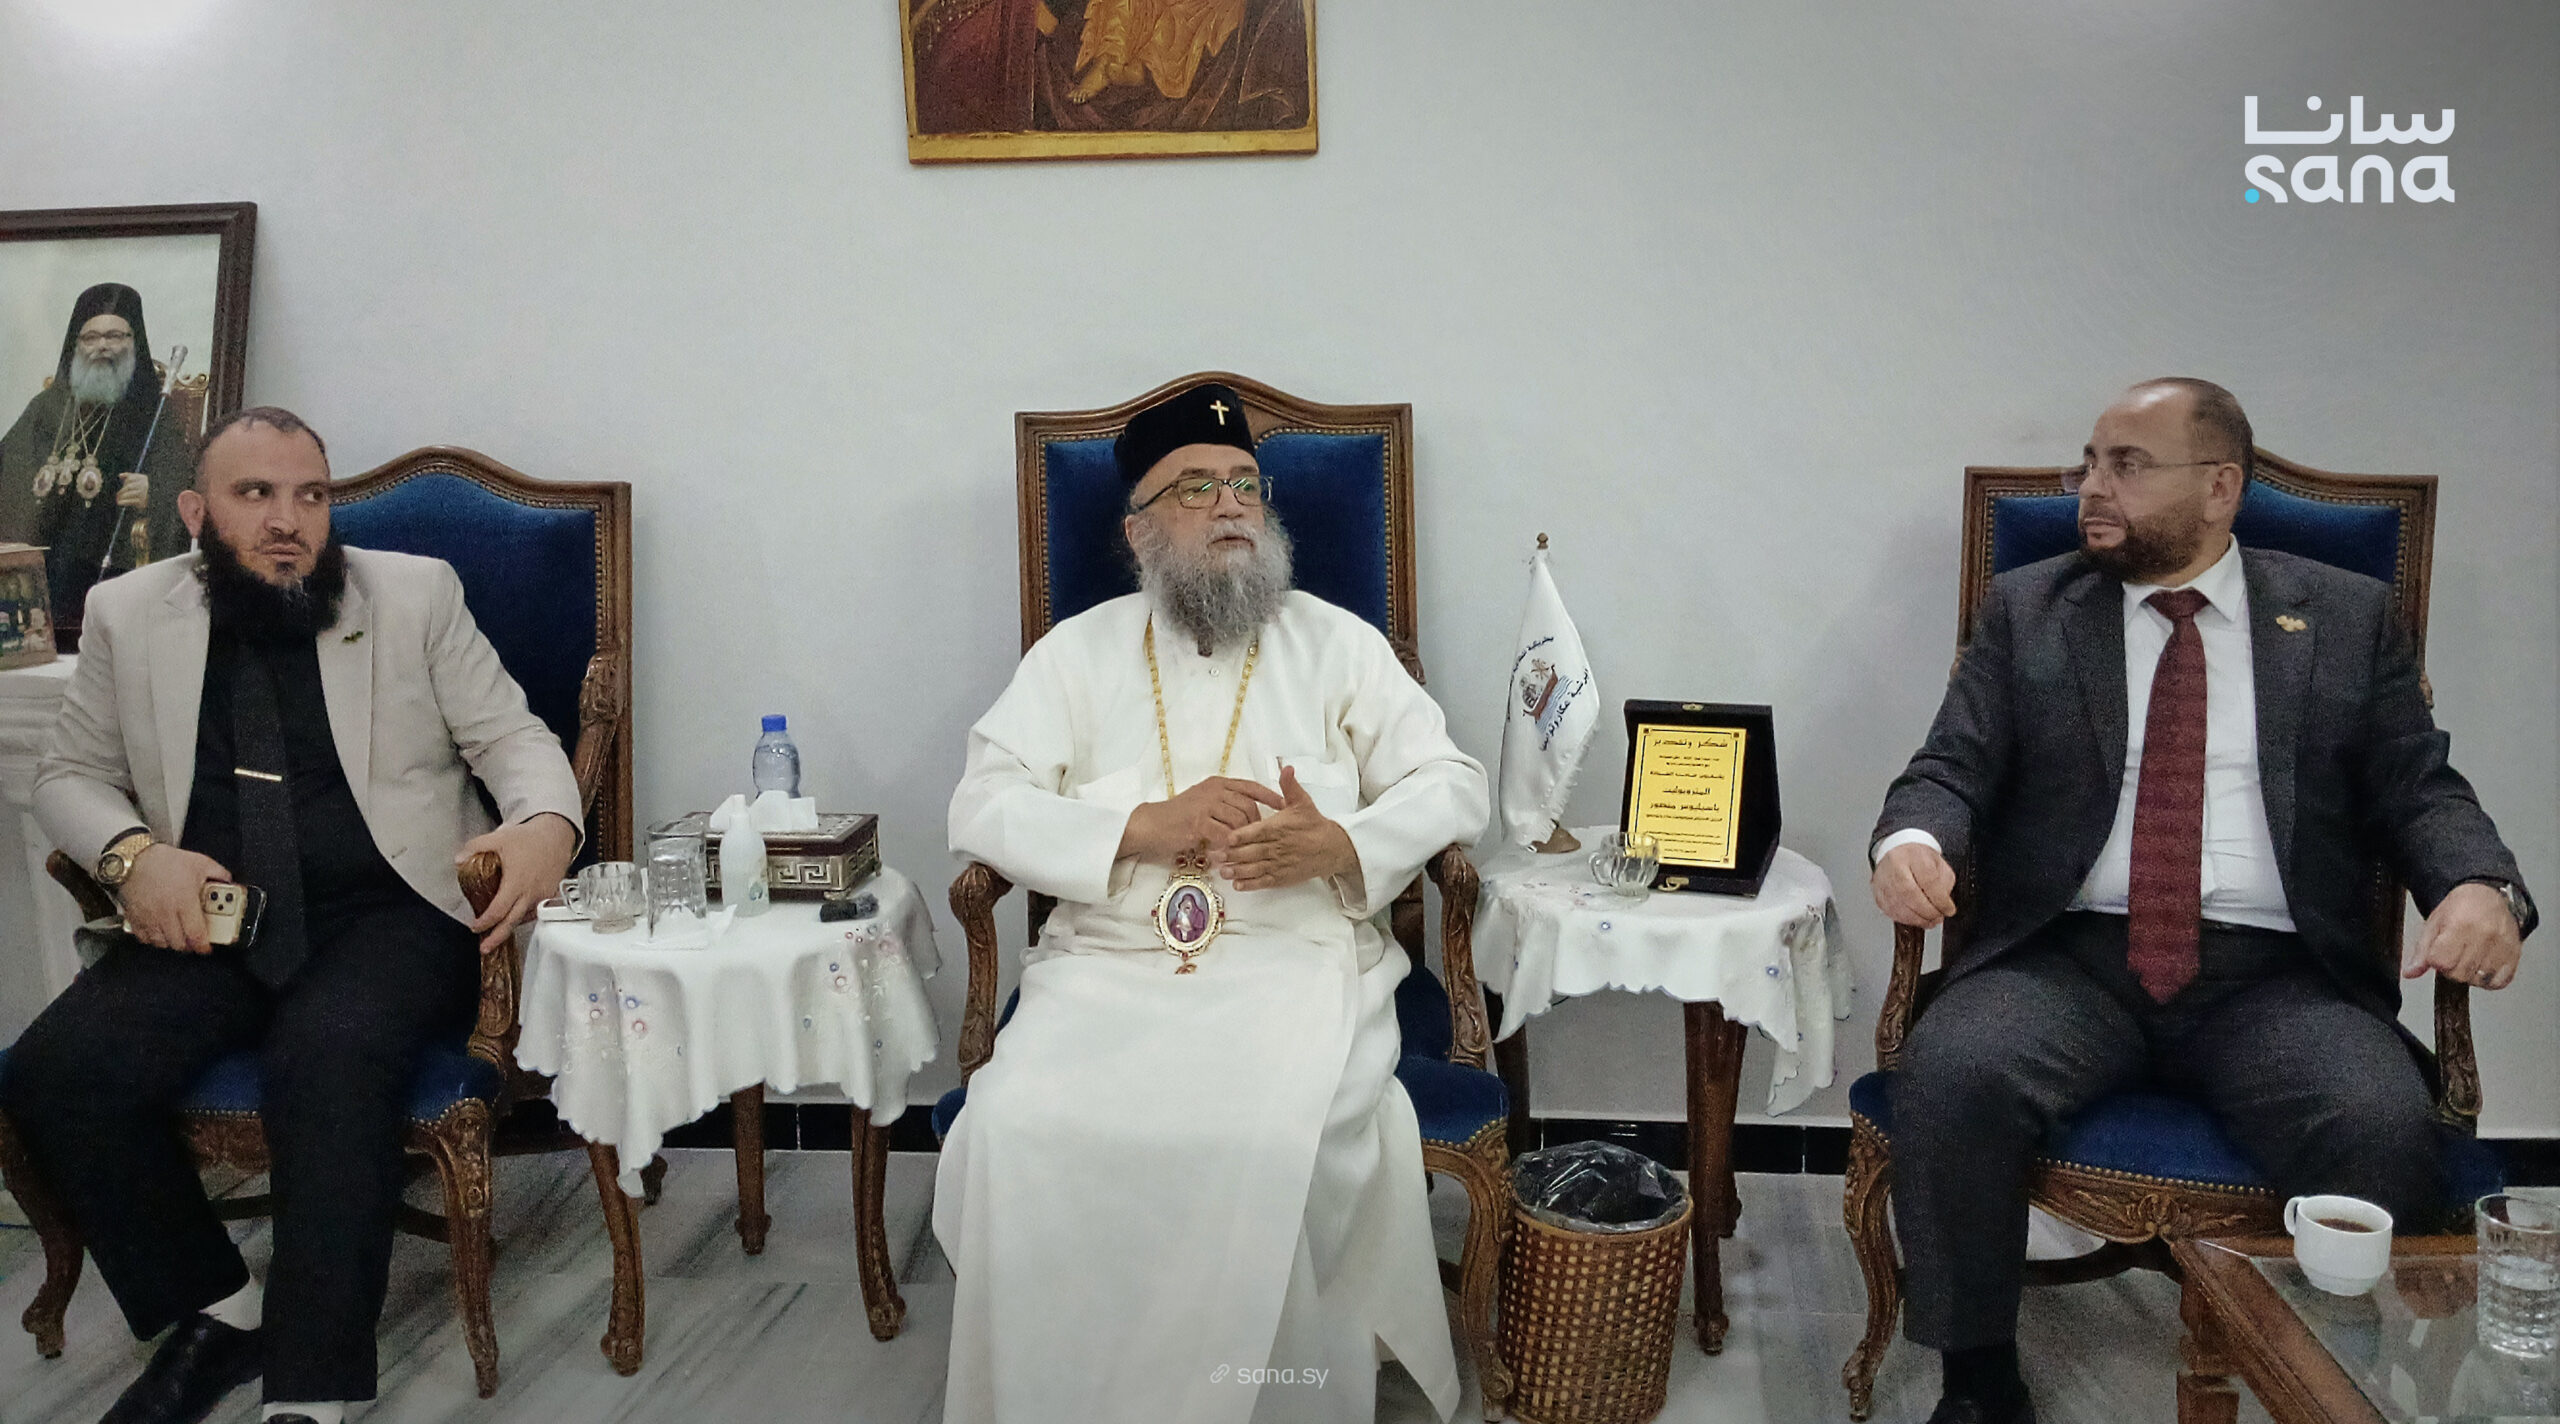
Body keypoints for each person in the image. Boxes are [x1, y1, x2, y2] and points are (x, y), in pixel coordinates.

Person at [1869, 377, 2535, 1424]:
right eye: (2089, 463)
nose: (2092, 487)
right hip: (2069, 960)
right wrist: (1912, 841)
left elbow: (2419, 789)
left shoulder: (2343, 617)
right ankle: (1977, 1374)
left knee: (2376, 1118)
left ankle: (2333, 1376)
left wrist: (2478, 886)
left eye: (2126, 465)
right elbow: (1949, 766)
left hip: (2276, 978)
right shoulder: (2030, 609)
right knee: (1955, 1069)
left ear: (2221, 487)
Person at [3, 406, 582, 1424]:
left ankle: (311, 1385)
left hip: (390, 909)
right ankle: (220, 1307)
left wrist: (543, 827)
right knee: (59, 1070)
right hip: (215, 912)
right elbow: (68, 774)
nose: (287, 519)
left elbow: (513, 737)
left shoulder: (413, 594)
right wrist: (136, 857)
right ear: (196, 512)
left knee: (327, 1056)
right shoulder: (128, 610)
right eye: (255, 494)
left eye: (310, 495)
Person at [941, 382, 1486, 1424]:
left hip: (1294, 961)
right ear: (1139, 528)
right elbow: (981, 803)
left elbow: (1454, 784)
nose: (1232, 503)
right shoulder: (1075, 654)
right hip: (1108, 970)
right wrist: (1138, 827)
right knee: (1016, 1123)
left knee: (1261, 1135)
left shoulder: (1337, 644)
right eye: (1196, 486)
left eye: (1244, 483)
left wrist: (1344, 844)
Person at [0, 283, 193, 650]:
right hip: (40, 567)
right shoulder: (46, 407)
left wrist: (152, 493)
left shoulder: (152, 411)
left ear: (133, 344)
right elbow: (7, 465)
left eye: (115, 336)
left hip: (110, 568)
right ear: (76, 346)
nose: (102, 346)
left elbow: (182, 487)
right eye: (91, 337)